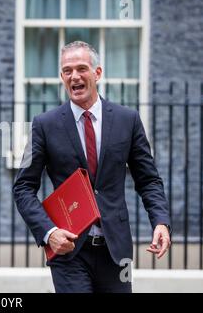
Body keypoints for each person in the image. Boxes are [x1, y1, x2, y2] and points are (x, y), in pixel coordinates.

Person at [13, 41, 171, 293]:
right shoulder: (44, 125)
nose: (74, 76)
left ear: (97, 73)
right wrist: (49, 232)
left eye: (81, 68)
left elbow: (148, 179)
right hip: (69, 252)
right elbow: (22, 187)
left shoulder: (127, 120)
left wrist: (160, 222)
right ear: (62, 77)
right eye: (67, 70)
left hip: (116, 251)